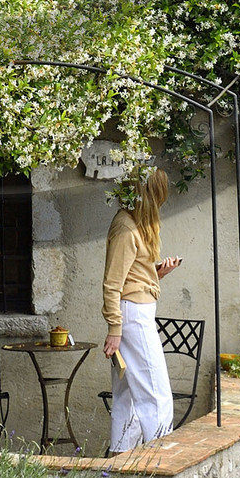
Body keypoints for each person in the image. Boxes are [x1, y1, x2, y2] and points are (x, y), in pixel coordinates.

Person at [102, 168, 183, 453]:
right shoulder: (126, 227)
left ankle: (120, 460)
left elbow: (132, 278)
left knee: (129, 396)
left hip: (135, 311)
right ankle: (161, 460)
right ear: (150, 195)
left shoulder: (136, 223)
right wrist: (115, 328)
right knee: (157, 394)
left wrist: (157, 273)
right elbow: (112, 283)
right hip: (132, 316)